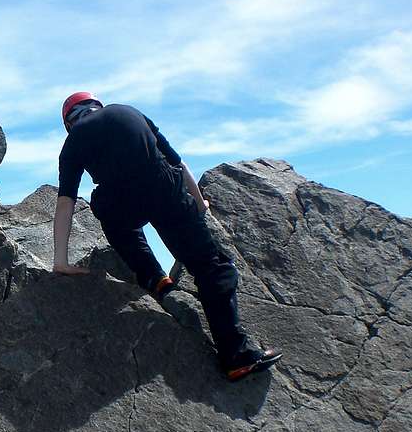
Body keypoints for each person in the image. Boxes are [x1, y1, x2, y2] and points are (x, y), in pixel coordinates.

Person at [52, 92, 282, 381]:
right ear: (97, 105)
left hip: (120, 202)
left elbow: (66, 201)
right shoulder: (127, 111)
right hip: (163, 187)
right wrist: (200, 204)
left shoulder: (72, 142)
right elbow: (179, 162)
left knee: (104, 205)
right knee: (211, 267)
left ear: (69, 123)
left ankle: (154, 278)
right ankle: (236, 356)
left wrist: (60, 260)